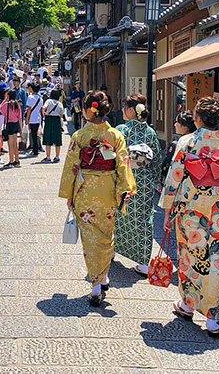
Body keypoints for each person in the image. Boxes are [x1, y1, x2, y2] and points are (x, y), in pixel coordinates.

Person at [159, 97, 219, 337]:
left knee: (188, 256)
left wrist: (167, 211)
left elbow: (174, 178)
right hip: (216, 210)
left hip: (189, 209)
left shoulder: (186, 142)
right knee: (216, 260)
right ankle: (212, 316)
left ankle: (188, 304)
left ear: (197, 118)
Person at [58, 91, 136, 306]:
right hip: (108, 190)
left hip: (85, 191)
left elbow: (71, 167)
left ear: (86, 111)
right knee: (106, 234)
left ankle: (96, 285)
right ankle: (102, 276)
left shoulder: (80, 136)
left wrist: (68, 194)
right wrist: (124, 190)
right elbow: (122, 164)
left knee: (90, 239)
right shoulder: (115, 136)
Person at [114, 94, 162, 275]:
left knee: (118, 215)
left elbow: (115, 155)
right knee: (144, 219)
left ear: (132, 110)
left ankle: (111, 250)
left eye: (125, 107)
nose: (122, 110)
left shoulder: (121, 130)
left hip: (124, 180)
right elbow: (156, 158)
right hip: (144, 182)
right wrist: (156, 180)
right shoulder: (150, 132)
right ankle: (143, 261)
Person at [160, 111, 194, 189]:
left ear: (185, 126)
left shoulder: (180, 144)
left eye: (177, 122)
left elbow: (168, 164)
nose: (175, 125)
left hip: (180, 184)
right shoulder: (199, 142)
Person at [0, 89, 21, 168]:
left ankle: (11, 161)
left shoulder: (7, 104)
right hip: (16, 125)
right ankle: (17, 160)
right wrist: (21, 129)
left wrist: (4, 101)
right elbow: (20, 118)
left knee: (10, 145)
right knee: (15, 144)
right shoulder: (16, 104)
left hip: (9, 124)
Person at [42, 89, 65, 162]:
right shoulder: (60, 103)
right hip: (57, 120)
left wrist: (44, 114)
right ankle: (57, 156)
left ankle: (48, 157)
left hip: (49, 119)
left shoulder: (48, 101)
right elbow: (62, 114)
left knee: (48, 137)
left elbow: (43, 108)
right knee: (57, 138)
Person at [25, 83, 44, 156]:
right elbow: (40, 109)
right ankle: (36, 148)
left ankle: (35, 150)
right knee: (36, 134)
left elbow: (29, 109)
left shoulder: (30, 97)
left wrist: (27, 118)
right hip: (38, 118)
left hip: (32, 118)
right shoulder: (40, 98)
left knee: (33, 134)